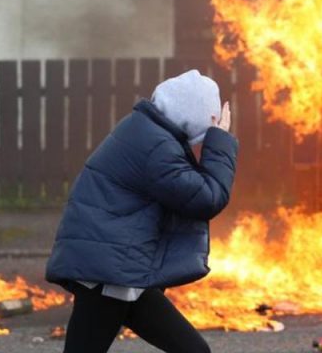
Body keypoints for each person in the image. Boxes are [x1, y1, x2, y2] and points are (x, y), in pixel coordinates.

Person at [45, 69, 238, 353]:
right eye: (209, 119)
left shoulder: (147, 131)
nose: (212, 124)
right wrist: (219, 140)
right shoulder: (156, 147)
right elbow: (207, 199)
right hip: (109, 275)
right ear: (193, 115)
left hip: (121, 271)